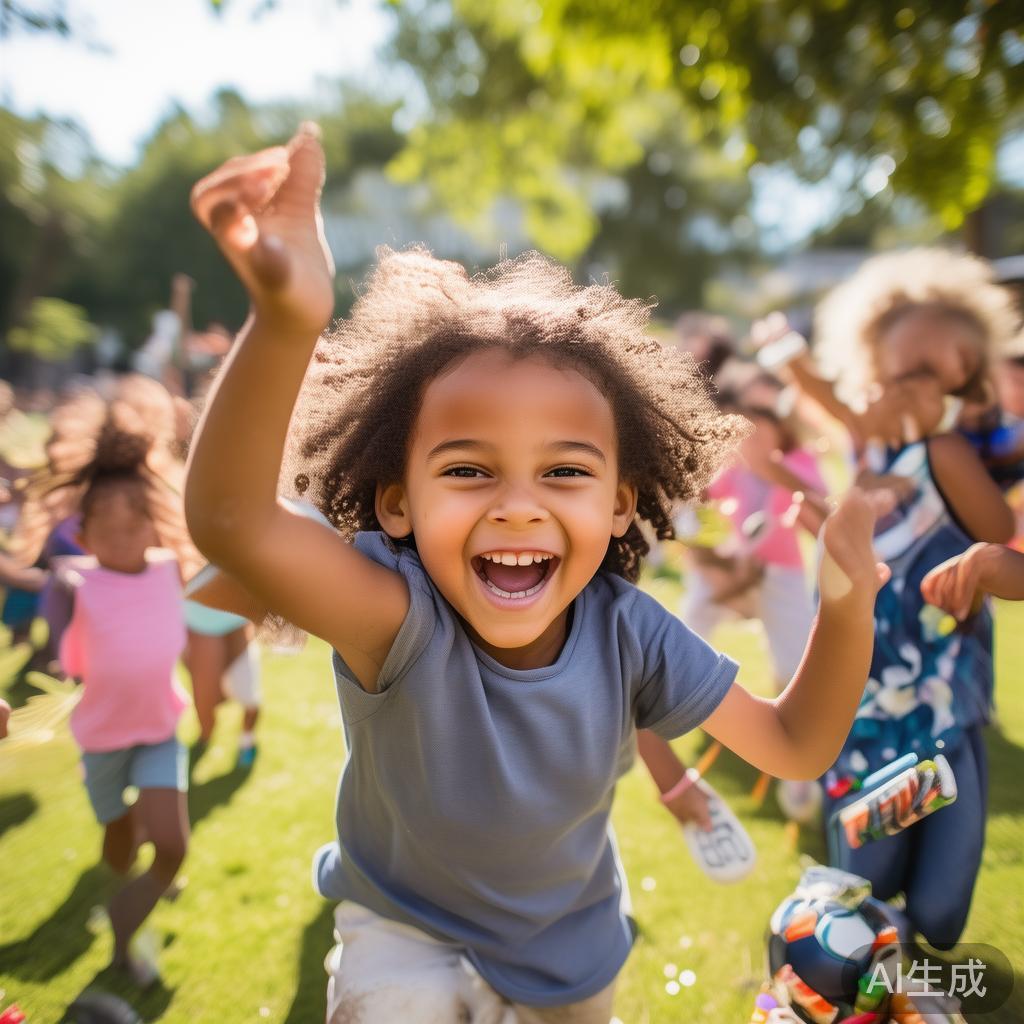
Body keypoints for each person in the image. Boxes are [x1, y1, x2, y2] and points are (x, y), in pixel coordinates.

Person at [184, 125, 890, 1023]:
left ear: (623, 504)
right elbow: (235, 522)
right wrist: (284, 323)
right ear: (397, 504)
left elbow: (795, 745)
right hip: (405, 933)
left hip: (572, 954)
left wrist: (846, 601)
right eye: (470, 470)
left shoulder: (632, 632)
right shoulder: (396, 616)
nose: (519, 506)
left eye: (563, 471)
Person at [806, 248, 1018, 950]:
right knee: (867, 882)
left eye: (939, 373)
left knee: (940, 914)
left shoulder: (945, 454)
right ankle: (869, 981)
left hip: (942, 710)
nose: (915, 391)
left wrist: (986, 565)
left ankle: (897, 966)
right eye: (903, 374)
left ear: (971, 379)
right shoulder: (868, 464)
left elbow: (1002, 540)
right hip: (864, 719)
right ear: (873, 376)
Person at [17, 397, 192, 988]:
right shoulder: (76, 581)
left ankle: (130, 914)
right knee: (118, 842)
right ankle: (125, 899)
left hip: (160, 728)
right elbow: (36, 582)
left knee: (170, 843)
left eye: (135, 524)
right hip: (102, 738)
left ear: (156, 519)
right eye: (107, 530)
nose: (123, 540)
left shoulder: (171, 567)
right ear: (83, 533)